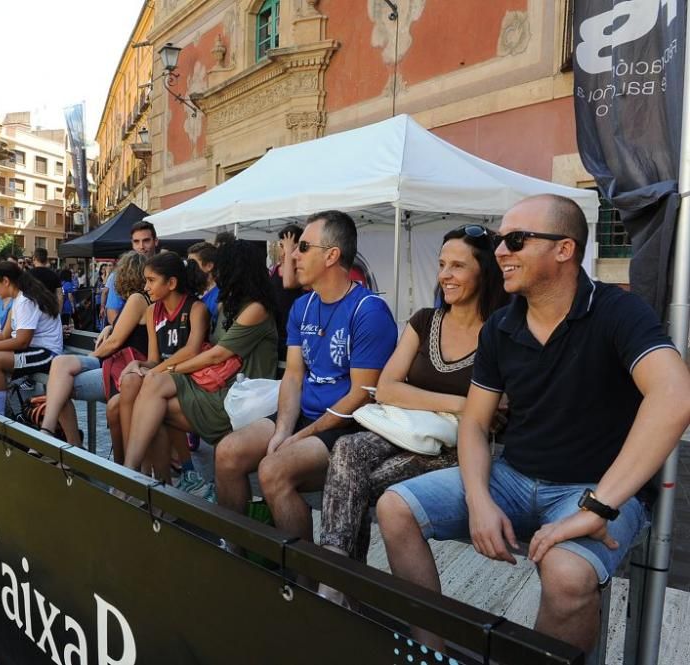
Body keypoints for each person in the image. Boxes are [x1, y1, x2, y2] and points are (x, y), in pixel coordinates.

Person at [376, 194, 690, 656]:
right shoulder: (501, 326)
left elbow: (675, 395)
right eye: (501, 240)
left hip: (594, 488)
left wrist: (599, 506)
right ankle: (432, 650)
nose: (501, 250)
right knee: (394, 508)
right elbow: (475, 423)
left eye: (516, 240)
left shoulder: (617, 311)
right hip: (512, 478)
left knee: (567, 573)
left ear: (564, 249)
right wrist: (479, 499)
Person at [316, 223, 508, 606]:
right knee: (348, 449)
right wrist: (462, 403)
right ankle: (334, 576)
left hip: (461, 446)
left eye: (458, 265)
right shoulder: (425, 320)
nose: (445, 275)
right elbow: (386, 388)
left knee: (364, 482)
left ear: (484, 272)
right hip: (405, 428)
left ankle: (341, 589)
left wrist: (455, 407)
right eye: (441, 264)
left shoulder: (502, 330)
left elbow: (500, 411)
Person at [214, 210, 397, 547]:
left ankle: (305, 581)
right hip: (304, 416)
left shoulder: (369, 310)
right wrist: (284, 429)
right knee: (227, 452)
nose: (293, 255)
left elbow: (362, 395)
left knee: (273, 470)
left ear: (331, 255)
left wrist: (300, 437)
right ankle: (234, 552)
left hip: (348, 428)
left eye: (303, 247)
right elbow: (294, 376)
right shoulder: (302, 306)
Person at [125, 240, 279, 491]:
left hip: (240, 398)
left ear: (235, 270)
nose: (215, 273)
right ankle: (155, 484)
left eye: (221, 267)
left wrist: (171, 369)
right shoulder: (227, 306)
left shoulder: (256, 310)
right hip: (216, 387)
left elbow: (215, 355)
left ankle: (134, 477)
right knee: (154, 405)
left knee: (155, 394)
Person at [111, 252, 209, 478]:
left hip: (187, 376)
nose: (145, 287)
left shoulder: (196, 309)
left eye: (151, 280)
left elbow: (191, 351)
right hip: (162, 376)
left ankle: (144, 473)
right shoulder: (152, 311)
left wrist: (153, 371)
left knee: (138, 397)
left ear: (172, 283)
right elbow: (154, 358)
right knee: (128, 382)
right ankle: (137, 468)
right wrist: (138, 363)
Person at [39, 252, 151, 447]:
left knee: (57, 387)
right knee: (59, 364)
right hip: (114, 361)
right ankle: (50, 431)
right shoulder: (137, 300)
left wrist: (92, 355)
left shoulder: (137, 299)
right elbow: (121, 332)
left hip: (119, 365)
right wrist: (109, 327)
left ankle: (68, 442)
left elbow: (115, 342)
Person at [0, 261, 63, 416]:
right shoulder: (17, 300)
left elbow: (22, 342)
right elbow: (4, 336)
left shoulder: (25, 301)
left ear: (6, 281)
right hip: (33, 351)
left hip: (47, 354)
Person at [105, 221, 159, 325]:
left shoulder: (166, 270)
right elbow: (112, 315)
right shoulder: (118, 275)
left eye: (146, 241)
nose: (141, 246)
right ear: (132, 243)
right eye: (136, 242)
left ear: (155, 241)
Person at [270, 224, 304, 356]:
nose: (284, 251)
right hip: (275, 330)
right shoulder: (274, 269)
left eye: (289, 246)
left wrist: (289, 252)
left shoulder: (301, 270)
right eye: (282, 246)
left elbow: (289, 283)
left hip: (292, 330)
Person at [188, 241, 220, 320]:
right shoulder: (193, 291)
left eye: (193, 263)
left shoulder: (219, 297)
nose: (190, 268)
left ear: (209, 266)